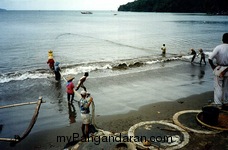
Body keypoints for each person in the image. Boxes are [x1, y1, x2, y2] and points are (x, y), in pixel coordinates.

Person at [208, 33, 228, 105]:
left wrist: (213, 67)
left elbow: (210, 59)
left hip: (219, 69)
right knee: (226, 87)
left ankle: (218, 104)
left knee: (218, 87)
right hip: (227, 69)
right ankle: (226, 102)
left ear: (222, 39)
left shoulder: (218, 47)